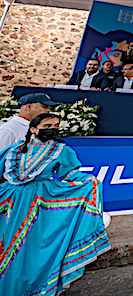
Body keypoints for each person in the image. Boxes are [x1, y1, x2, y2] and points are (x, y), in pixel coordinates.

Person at [0, 113, 110, 294]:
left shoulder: (61, 150)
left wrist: (89, 181)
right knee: (5, 241)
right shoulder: (14, 150)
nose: (52, 129)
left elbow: (71, 174)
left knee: (28, 247)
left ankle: (25, 287)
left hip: (38, 200)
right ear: (33, 129)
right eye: (47, 125)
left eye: (56, 126)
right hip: (10, 200)